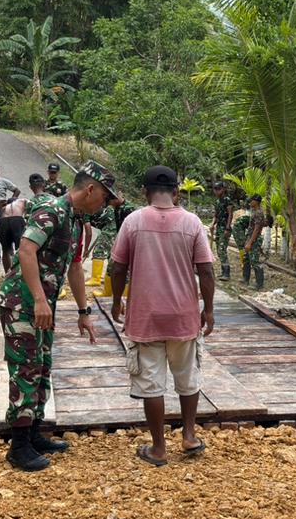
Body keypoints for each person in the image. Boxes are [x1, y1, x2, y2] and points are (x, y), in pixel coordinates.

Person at [0, 161, 117, 471]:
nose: (104, 204)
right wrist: (39, 299)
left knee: (42, 366)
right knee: (25, 368)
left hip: (43, 305)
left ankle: (33, 433)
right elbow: (26, 250)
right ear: (90, 189)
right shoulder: (52, 210)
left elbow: (75, 267)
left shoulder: (76, 220)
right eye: (104, 197)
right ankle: (18, 447)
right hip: (22, 303)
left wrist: (83, 311)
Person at [109, 165, 216, 467]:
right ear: (176, 192)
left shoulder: (133, 221)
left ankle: (158, 449)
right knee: (188, 376)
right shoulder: (192, 223)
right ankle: (189, 436)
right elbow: (206, 270)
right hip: (183, 315)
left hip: (146, 317)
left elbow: (118, 267)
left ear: (145, 191)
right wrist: (208, 310)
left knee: (151, 384)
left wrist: (116, 301)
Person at [86, 195, 136, 292]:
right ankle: (107, 292)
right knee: (111, 265)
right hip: (118, 236)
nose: (109, 204)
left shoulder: (129, 209)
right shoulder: (116, 208)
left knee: (100, 251)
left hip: (123, 239)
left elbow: (88, 232)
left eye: (110, 201)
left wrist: (86, 249)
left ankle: (122, 295)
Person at [0, 173, 44, 275]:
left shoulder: (5, 207)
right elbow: (31, 211)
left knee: (5, 250)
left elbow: (0, 214)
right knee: (21, 248)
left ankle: (7, 273)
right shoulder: (22, 201)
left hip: (3, 222)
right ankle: (20, 272)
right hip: (16, 220)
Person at [210, 180, 236, 280]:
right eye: (215, 189)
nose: (216, 191)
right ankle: (223, 272)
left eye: (218, 189)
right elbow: (216, 216)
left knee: (222, 249)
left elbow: (230, 214)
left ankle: (226, 273)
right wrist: (212, 224)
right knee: (218, 250)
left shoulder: (227, 200)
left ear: (223, 189)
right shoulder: (217, 202)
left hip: (225, 228)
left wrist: (228, 228)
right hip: (219, 228)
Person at [242, 194, 268, 289]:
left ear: (256, 202)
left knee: (255, 261)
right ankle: (245, 278)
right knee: (246, 258)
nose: (250, 202)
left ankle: (259, 284)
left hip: (255, 238)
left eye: (252, 200)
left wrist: (250, 242)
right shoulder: (254, 211)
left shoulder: (258, 213)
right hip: (250, 236)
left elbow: (257, 229)